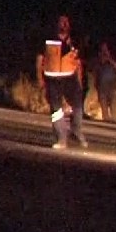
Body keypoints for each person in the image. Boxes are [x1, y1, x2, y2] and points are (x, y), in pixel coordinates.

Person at [35, 14, 88, 149]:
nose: (64, 24)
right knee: (56, 110)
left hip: (70, 78)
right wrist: (40, 79)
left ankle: (76, 131)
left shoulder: (74, 42)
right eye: (61, 22)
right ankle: (61, 138)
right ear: (57, 24)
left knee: (77, 107)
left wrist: (80, 81)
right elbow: (40, 60)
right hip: (52, 79)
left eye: (66, 22)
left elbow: (78, 63)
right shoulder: (48, 40)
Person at [94, 41, 116, 122]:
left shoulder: (113, 58)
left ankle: (114, 123)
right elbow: (96, 72)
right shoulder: (99, 60)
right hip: (102, 86)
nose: (104, 51)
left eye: (105, 49)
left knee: (113, 106)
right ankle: (106, 123)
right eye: (102, 49)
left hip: (112, 86)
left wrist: (109, 59)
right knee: (104, 109)